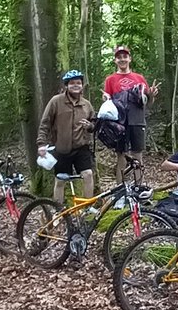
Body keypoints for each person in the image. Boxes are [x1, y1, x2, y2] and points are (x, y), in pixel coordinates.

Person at [103, 46, 159, 198]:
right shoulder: (110, 80)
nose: (122, 59)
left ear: (129, 59)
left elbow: (148, 102)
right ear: (115, 60)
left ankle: (139, 188)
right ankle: (120, 192)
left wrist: (152, 95)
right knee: (121, 155)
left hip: (137, 120)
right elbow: (107, 101)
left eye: (124, 56)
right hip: (119, 122)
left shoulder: (139, 78)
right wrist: (106, 100)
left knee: (137, 154)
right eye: (119, 57)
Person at [37, 70, 95, 204]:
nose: (76, 85)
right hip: (61, 148)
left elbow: (94, 123)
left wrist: (90, 126)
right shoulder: (56, 101)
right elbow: (45, 123)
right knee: (60, 180)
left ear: (82, 85)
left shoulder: (86, 104)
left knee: (88, 174)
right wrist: (41, 143)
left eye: (79, 83)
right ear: (66, 85)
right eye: (72, 83)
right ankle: (57, 210)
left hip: (81, 147)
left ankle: (88, 208)